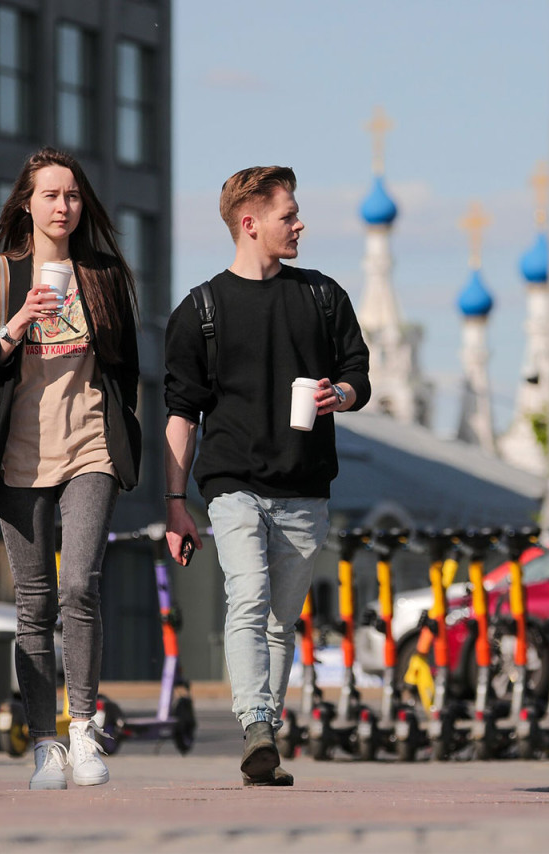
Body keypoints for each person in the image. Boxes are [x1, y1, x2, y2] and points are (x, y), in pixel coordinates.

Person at [163, 166, 370, 787]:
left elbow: (359, 370)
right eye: (289, 215)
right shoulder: (199, 310)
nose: (300, 223)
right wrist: (176, 503)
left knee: (283, 618)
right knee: (248, 596)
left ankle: (264, 740)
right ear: (250, 224)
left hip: (305, 486)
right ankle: (255, 723)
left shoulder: (322, 296)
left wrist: (345, 393)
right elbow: (181, 415)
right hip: (232, 484)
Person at [0, 147, 141, 790]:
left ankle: (85, 731)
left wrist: (128, 439)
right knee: (33, 603)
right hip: (19, 455)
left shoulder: (105, 273)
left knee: (80, 587)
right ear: (26, 205)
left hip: (90, 447)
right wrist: (16, 325)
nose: (62, 206)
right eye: (50, 195)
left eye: (71, 195)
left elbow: (125, 368)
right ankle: (45, 744)